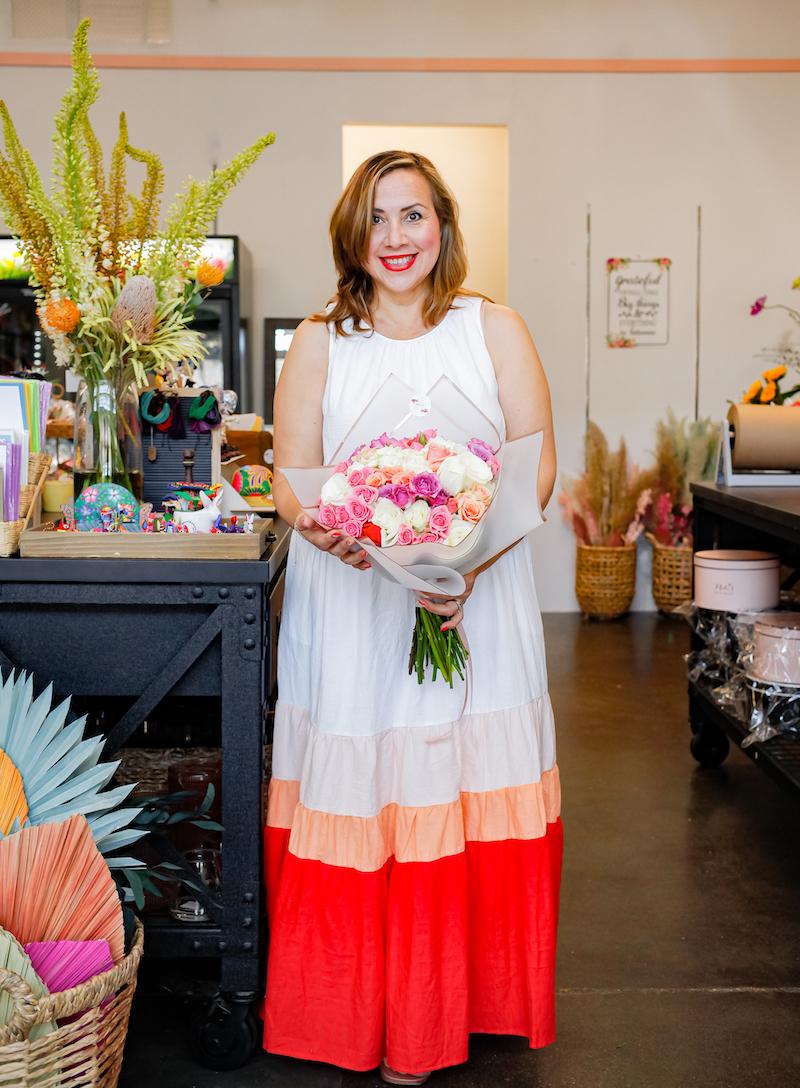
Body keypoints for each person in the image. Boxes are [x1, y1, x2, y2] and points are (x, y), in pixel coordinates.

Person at [265, 150, 562, 1085]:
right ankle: (353, 1014)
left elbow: (534, 471)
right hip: (352, 610)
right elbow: (289, 478)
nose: (396, 238)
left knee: (460, 781)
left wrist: (463, 569)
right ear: (352, 234)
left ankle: (451, 1011)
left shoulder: (496, 328)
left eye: (414, 215)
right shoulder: (321, 340)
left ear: (443, 226)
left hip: (480, 601)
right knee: (370, 785)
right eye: (378, 218)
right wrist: (322, 530)